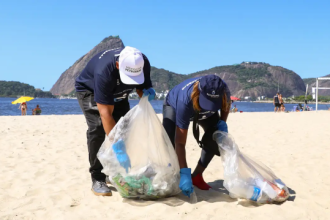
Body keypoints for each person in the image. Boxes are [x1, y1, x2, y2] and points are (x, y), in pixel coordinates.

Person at [75, 46, 155, 196]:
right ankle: (98, 178)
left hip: (120, 93)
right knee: (98, 128)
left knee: (125, 128)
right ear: (118, 65)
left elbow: (141, 86)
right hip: (91, 90)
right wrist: (118, 148)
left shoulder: (141, 62)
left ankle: (114, 172)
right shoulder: (104, 71)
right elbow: (106, 114)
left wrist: (146, 93)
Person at [162, 75, 231, 197]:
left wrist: (222, 122)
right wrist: (184, 173)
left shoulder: (223, 90)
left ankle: (197, 176)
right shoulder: (184, 101)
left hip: (203, 111)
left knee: (215, 137)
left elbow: (226, 105)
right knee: (169, 142)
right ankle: (174, 176)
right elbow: (180, 142)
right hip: (174, 105)